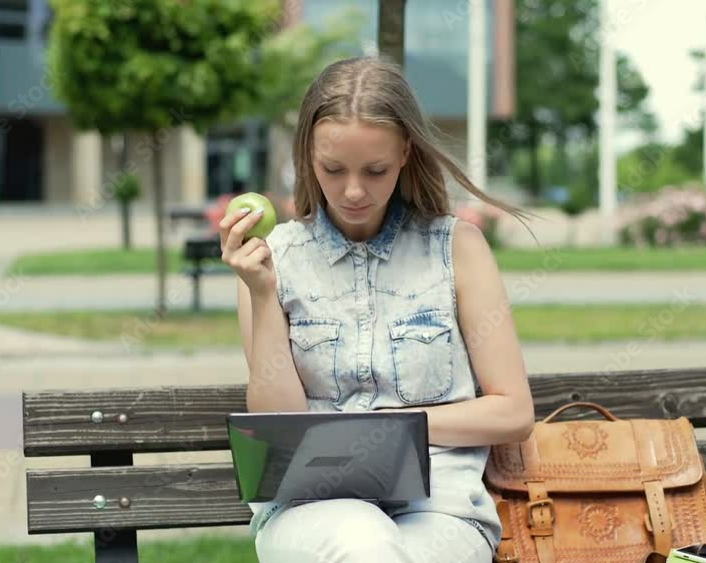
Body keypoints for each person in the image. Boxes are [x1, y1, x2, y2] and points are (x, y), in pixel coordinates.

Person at [219, 56, 536, 563]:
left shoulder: (458, 249)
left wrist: (398, 426)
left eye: (376, 170)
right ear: (308, 154)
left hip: (441, 509)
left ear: (406, 152)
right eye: (333, 168)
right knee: (362, 540)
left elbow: (513, 410)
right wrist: (261, 293)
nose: (353, 191)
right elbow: (279, 423)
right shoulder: (273, 258)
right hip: (311, 508)